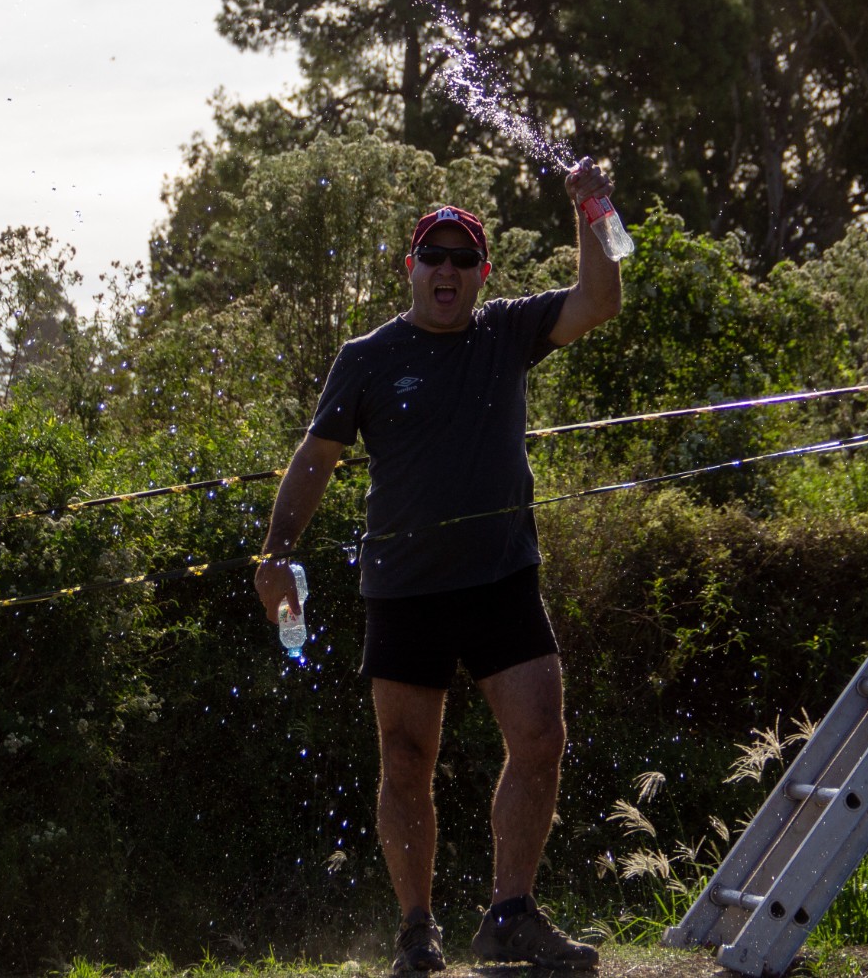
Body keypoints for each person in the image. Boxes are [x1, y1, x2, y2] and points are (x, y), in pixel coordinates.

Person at [255, 160, 624, 974]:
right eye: (435, 256)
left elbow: (600, 300)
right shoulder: (367, 356)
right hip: (404, 587)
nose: (448, 270)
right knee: (406, 760)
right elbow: (316, 458)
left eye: (464, 259)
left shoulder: (506, 331)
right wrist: (277, 551)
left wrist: (592, 207)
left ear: (482, 272)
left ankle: (510, 915)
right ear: (412, 269)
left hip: (501, 579)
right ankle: (416, 931)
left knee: (540, 738)